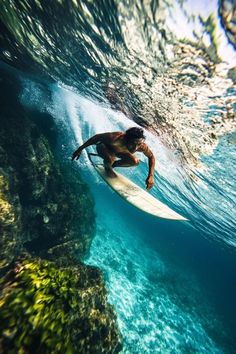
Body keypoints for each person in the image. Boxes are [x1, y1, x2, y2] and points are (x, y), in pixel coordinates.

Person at [72, 127, 155, 190]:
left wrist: (151, 175)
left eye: (138, 144)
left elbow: (151, 157)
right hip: (103, 147)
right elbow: (96, 138)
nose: (136, 148)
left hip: (118, 153)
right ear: (126, 139)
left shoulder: (141, 146)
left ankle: (112, 165)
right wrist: (80, 149)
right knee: (109, 159)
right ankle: (108, 165)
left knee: (135, 162)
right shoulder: (115, 138)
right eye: (133, 144)